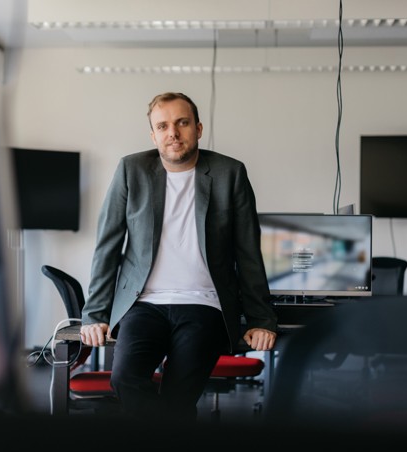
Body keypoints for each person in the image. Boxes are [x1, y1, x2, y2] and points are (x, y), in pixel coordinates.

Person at [80, 91, 277, 420]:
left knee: (179, 394)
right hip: (143, 304)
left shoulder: (230, 173)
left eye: (182, 123)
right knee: (125, 379)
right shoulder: (132, 169)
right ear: (153, 134)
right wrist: (95, 313)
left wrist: (261, 320)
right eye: (163, 125)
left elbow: (248, 252)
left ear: (198, 128)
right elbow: (107, 246)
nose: (173, 132)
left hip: (204, 304)